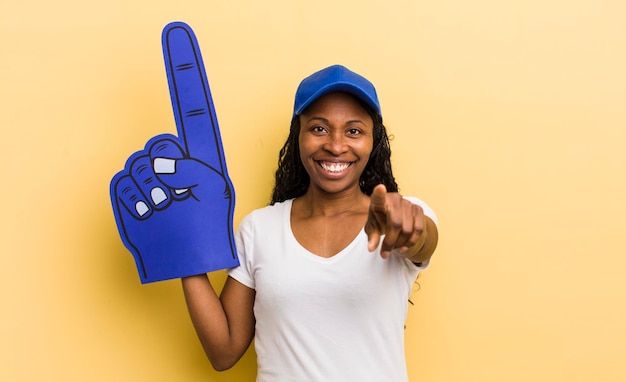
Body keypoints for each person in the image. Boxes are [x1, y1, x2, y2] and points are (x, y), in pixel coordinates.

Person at [181, 64, 439, 381]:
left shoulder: (399, 216)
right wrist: (183, 244)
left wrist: (409, 228)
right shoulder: (259, 229)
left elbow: (422, 238)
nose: (335, 144)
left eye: (354, 131)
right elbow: (224, 352)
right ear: (298, 135)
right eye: (319, 128)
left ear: (374, 142)